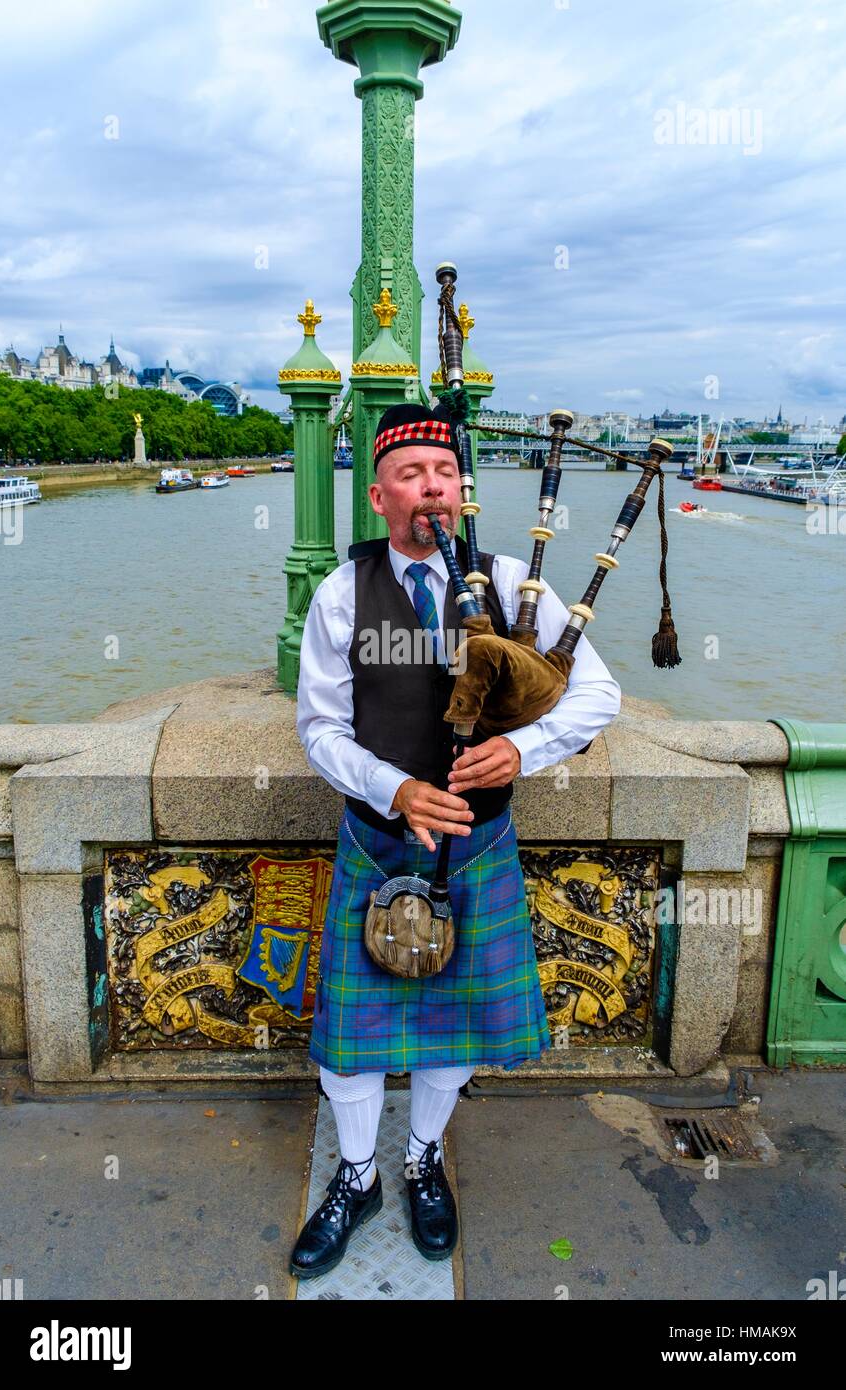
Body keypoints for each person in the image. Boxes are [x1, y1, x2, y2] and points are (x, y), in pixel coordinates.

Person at [290, 402, 621, 1279]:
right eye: (411, 474)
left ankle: (421, 1158)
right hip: (376, 836)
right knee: (351, 1040)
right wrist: (393, 787)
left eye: (444, 472)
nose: (432, 486)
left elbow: (597, 696)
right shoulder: (340, 593)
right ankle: (356, 1174)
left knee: (455, 1030)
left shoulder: (515, 584)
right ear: (378, 496)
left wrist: (523, 746)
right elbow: (320, 728)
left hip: (477, 842)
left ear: (462, 489)